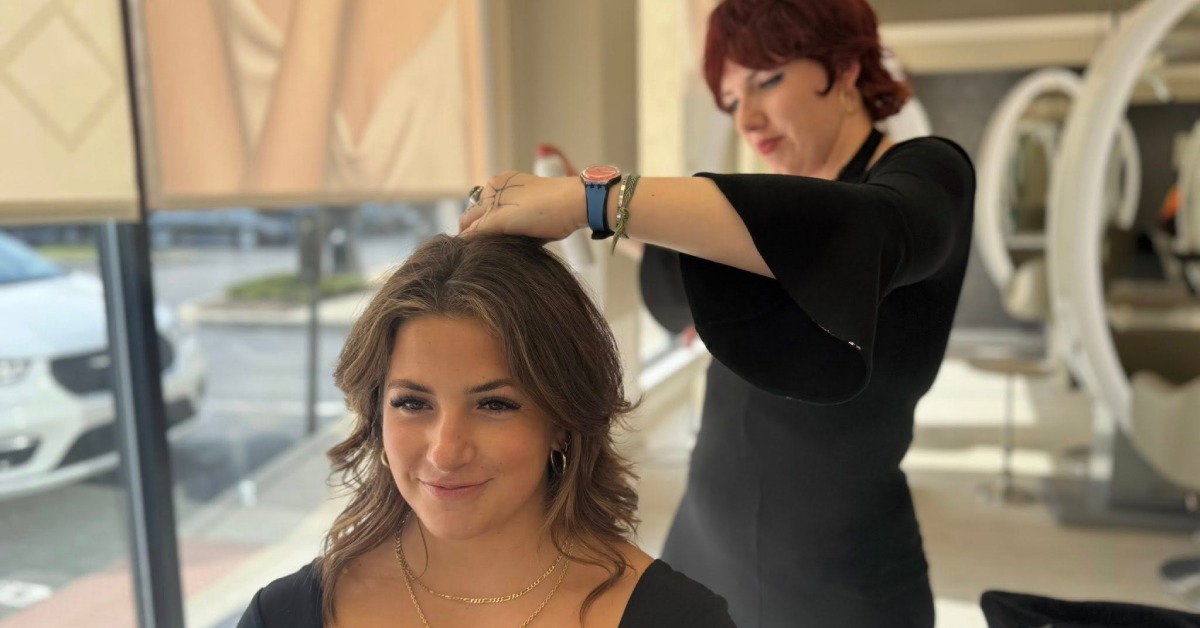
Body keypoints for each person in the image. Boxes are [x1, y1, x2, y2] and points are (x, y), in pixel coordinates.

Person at [458, 0, 976, 625]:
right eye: (731, 101)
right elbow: (691, 277)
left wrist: (591, 201)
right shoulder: (762, 232)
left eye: (767, 80)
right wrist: (594, 209)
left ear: (841, 68)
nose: (748, 118)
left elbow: (859, 232)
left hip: (843, 573)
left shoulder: (925, 174)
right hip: (706, 541)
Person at [236, 233, 735, 627]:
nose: (446, 451)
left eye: (494, 404)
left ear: (563, 420)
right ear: (375, 418)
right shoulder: (284, 616)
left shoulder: (677, 619)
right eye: (412, 403)